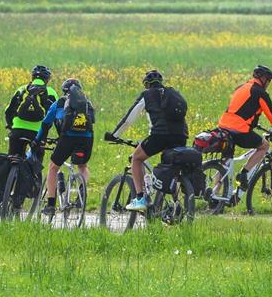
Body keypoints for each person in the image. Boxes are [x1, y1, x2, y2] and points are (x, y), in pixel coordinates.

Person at [104, 69, 188, 211]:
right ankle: (175, 203)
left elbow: (129, 119)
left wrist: (114, 135)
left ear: (147, 84)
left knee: (136, 158)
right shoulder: (173, 93)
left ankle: (140, 198)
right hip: (181, 135)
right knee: (168, 167)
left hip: (160, 135)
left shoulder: (147, 95)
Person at [217, 65, 272, 192]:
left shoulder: (241, 87)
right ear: (263, 79)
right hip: (239, 131)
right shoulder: (260, 93)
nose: (269, 84)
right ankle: (244, 173)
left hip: (223, 127)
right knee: (264, 146)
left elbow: (241, 109)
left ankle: (215, 194)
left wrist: (253, 123)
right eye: (268, 81)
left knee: (225, 161)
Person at [33, 78, 95, 217]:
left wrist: (37, 140)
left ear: (64, 91)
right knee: (83, 166)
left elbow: (45, 124)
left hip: (67, 137)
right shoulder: (86, 103)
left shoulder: (59, 103)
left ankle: (50, 204)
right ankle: (81, 192)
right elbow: (93, 121)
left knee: (53, 167)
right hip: (87, 138)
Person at [4, 64, 58, 159]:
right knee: (36, 162)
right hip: (37, 133)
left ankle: (10, 172)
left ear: (32, 77)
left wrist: (11, 126)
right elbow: (57, 115)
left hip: (17, 130)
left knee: (11, 158)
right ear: (47, 79)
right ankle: (36, 173)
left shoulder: (21, 89)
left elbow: (8, 111)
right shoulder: (51, 92)